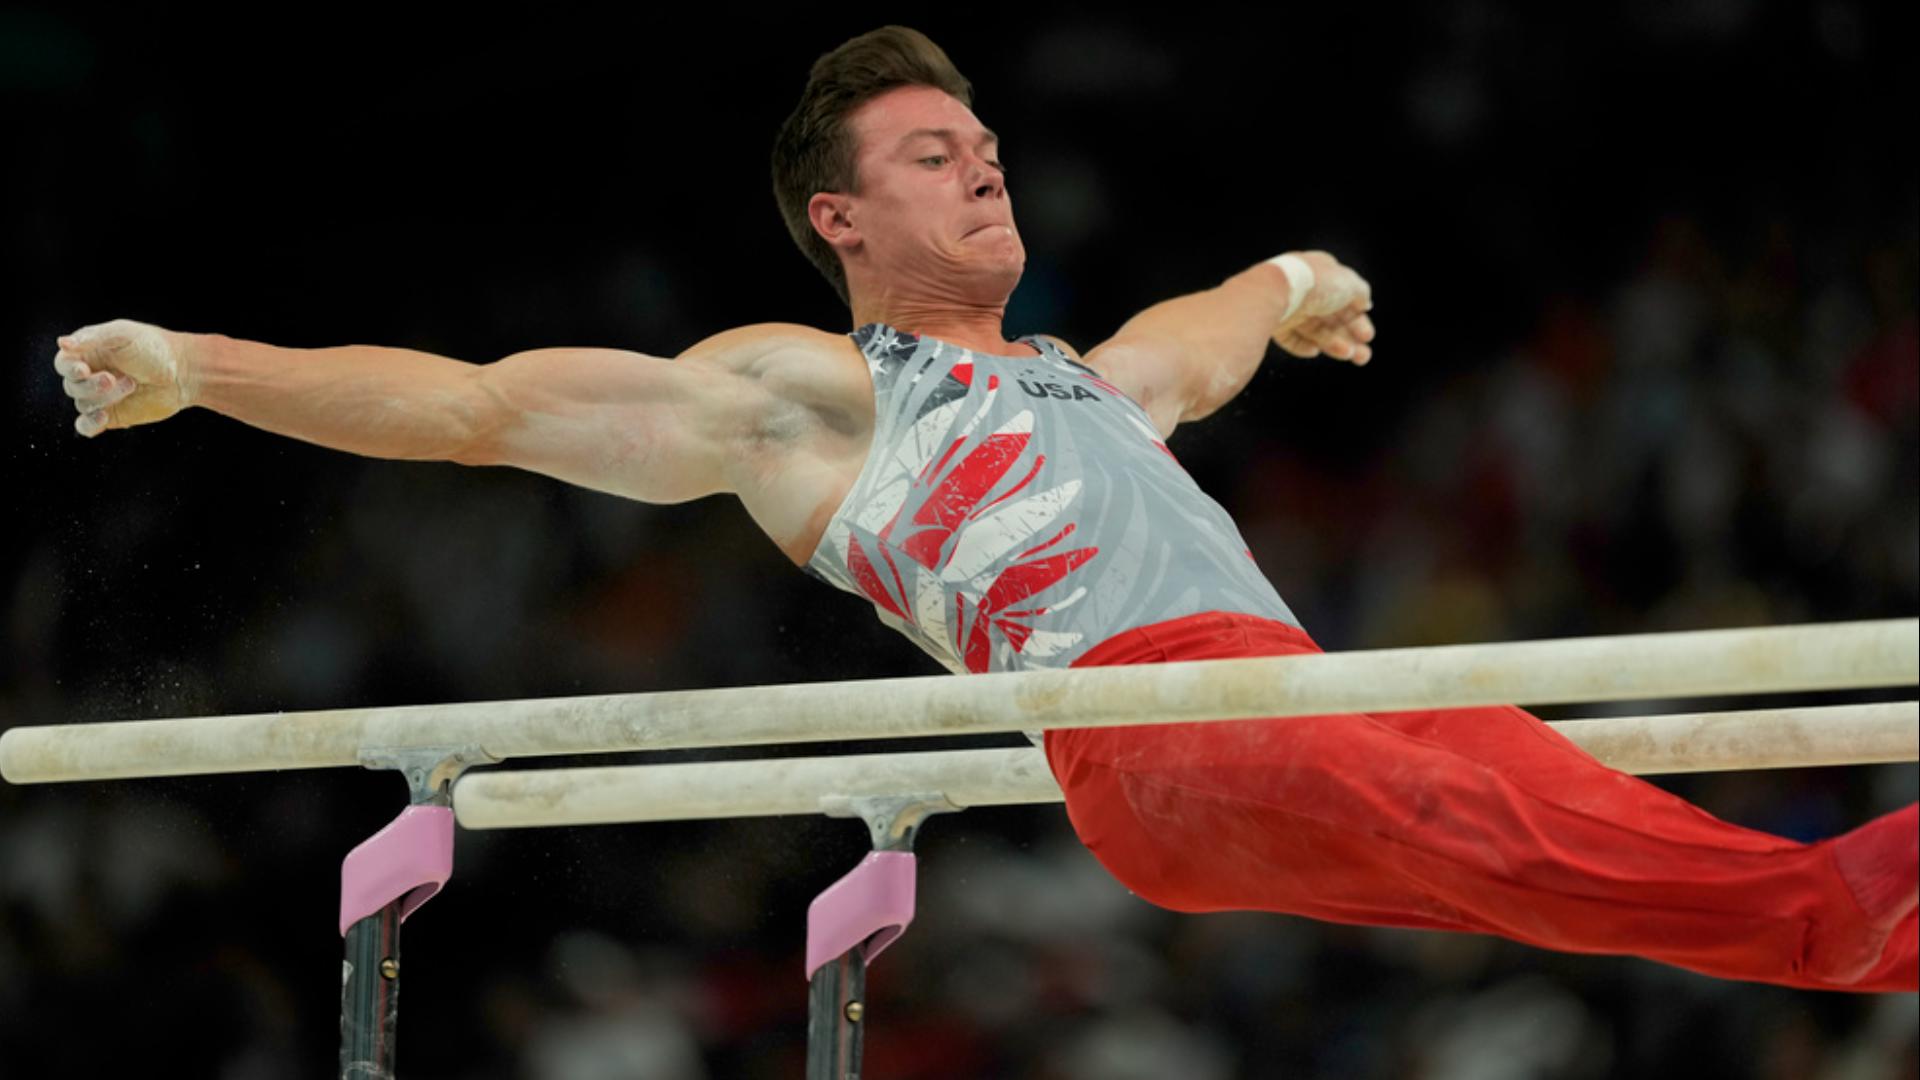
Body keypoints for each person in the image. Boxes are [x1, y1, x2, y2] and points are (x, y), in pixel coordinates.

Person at [51, 25, 1915, 993]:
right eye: (935, 156)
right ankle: (1857, 915)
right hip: (1154, 736)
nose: (984, 167)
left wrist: (1292, 277)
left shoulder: (1079, 385)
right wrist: (207, 364)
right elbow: (471, 411)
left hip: (1257, 713)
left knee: (1539, 807)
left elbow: (1195, 340)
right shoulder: (806, 397)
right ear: (842, 220)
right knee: (1481, 781)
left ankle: (1862, 920)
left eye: (991, 145)